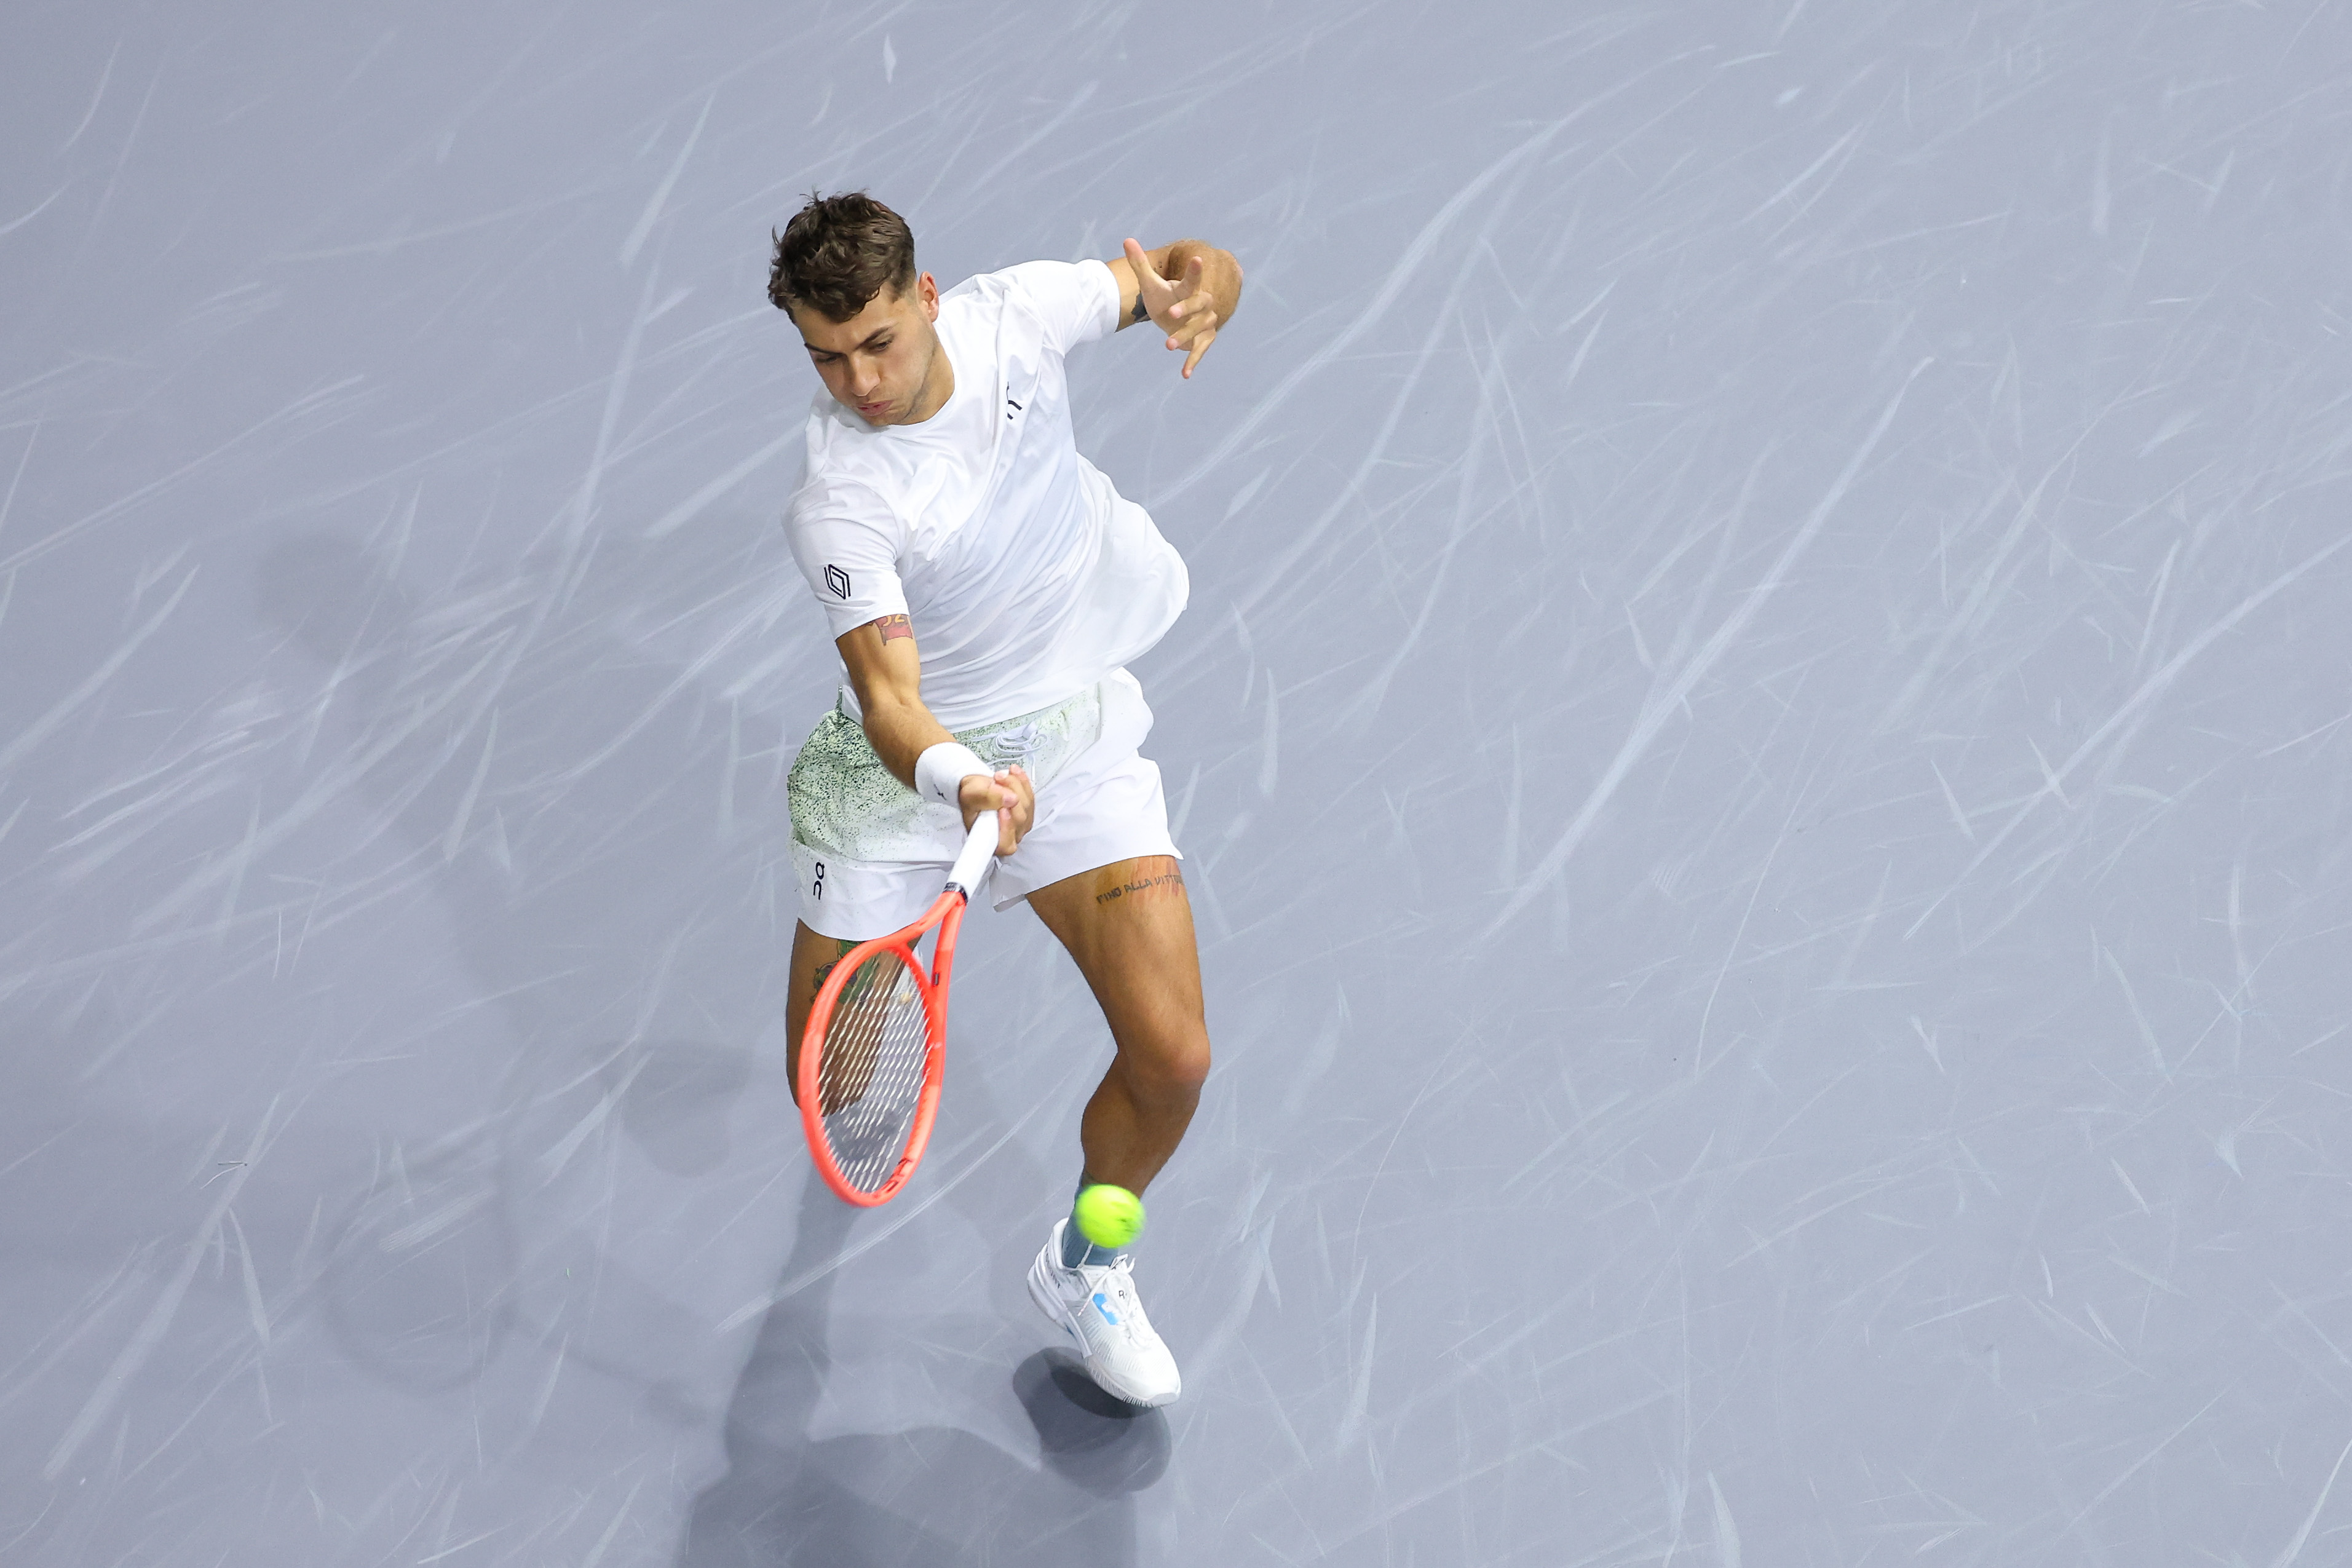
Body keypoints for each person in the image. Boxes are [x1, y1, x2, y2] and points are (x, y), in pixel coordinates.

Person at [767, 191, 1243, 1407]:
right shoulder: (841, 500)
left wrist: (1204, 290)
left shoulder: (1016, 315)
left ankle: (1086, 1261)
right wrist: (959, 780)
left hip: (1065, 735)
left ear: (927, 299)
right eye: (826, 358)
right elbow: (888, 698)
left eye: (877, 342)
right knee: (836, 1093)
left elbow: (1180, 265)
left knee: (1173, 1056)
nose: (858, 383)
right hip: (909, 781)